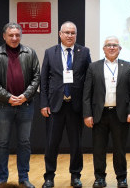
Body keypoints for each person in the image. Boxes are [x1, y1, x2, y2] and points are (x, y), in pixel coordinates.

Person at [0, 22, 41, 188]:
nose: (14, 38)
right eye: (11, 35)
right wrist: (8, 97)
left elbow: (36, 77)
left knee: (24, 143)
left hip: (26, 105)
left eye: (17, 35)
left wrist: (25, 96)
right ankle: (2, 179)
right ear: (4, 36)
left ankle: (23, 178)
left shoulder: (30, 53)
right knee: (2, 143)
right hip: (4, 106)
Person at [40, 21, 92, 188]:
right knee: (51, 143)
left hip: (76, 106)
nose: (70, 35)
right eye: (67, 32)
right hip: (55, 106)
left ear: (76, 35)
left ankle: (75, 175)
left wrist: (87, 106)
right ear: (60, 34)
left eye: (73, 33)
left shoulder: (84, 52)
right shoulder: (50, 52)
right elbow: (43, 80)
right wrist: (44, 103)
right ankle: (49, 176)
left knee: (76, 144)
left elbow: (89, 80)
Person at [83, 36, 130, 188]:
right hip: (99, 114)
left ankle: (121, 178)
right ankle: (99, 178)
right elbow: (87, 93)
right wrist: (87, 114)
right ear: (103, 49)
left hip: (120, 114)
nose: (112, 47)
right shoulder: (93, 67)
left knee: (119, 149)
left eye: (115, 45)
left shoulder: (128, 66)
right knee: (98, 149)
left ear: (120, 49)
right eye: (108, 45)